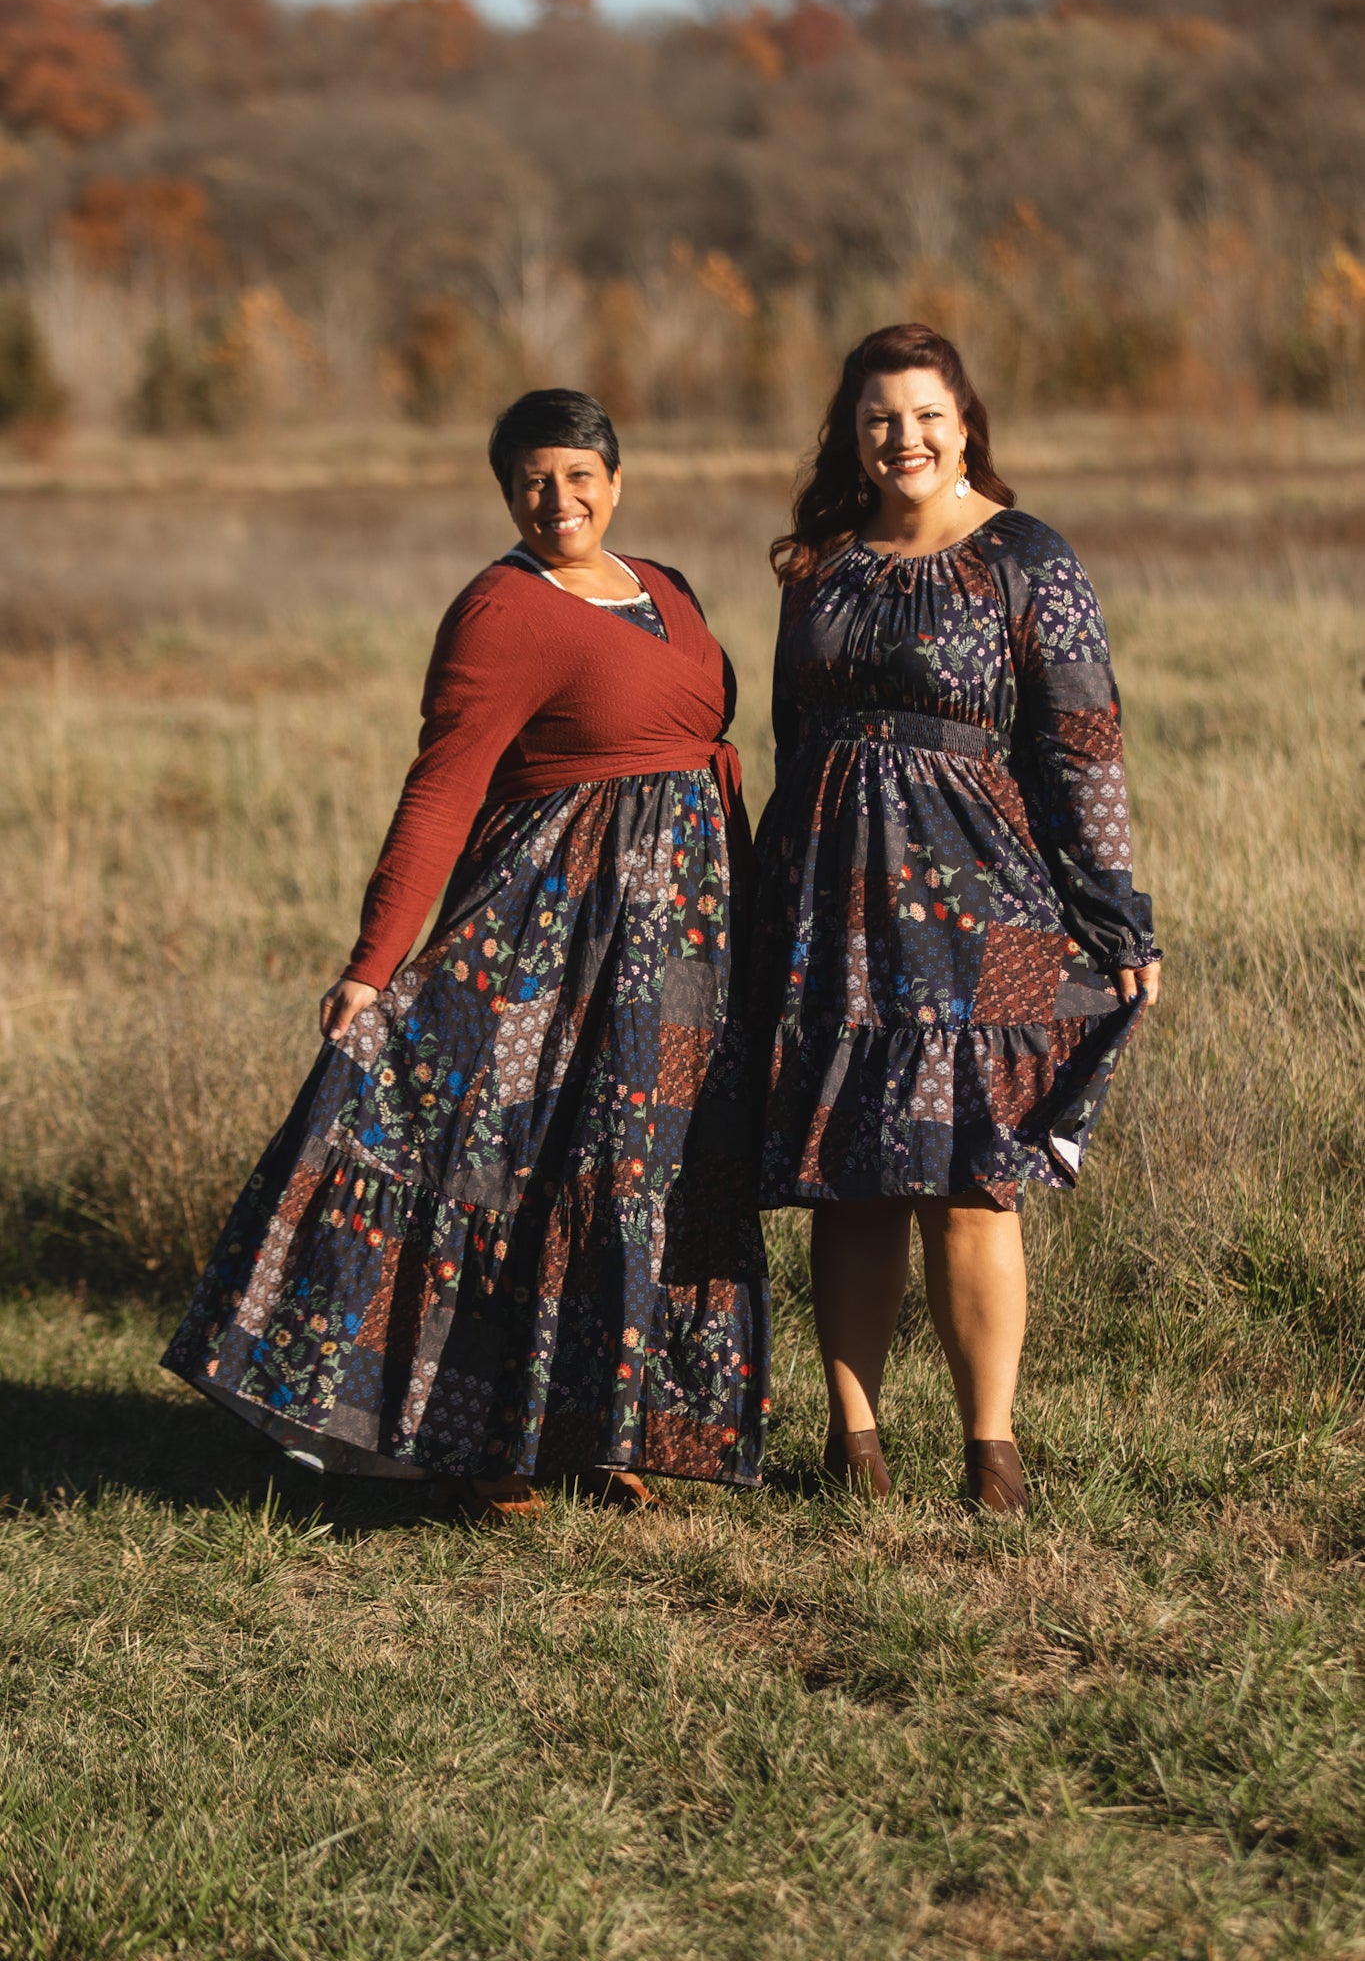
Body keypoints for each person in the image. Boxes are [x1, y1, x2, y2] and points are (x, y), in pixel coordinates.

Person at [164, 388, 769, 1516]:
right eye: (534, 480)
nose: (560, 499)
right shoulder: (500, 607)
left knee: (636, 1167)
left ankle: (595, 1425)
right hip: (551, 920)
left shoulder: (669, 586)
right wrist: (374, 958)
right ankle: (479, 1439)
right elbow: (442, 785)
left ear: (616, 479)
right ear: (506, 493)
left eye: (580, 475)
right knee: (504, 1158)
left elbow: (701, 739)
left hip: (679, 928)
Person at [751, 324, 1161, 1514]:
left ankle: (992, 1452)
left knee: (975, 1178)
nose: (905, 437)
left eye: (927, 413)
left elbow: (1083, 742)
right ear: (852, 432)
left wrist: (1116, 916)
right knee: (854, 1176)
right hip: (835, 901)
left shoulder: (1027, 556)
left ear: (966, 419)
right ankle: (856, 1444)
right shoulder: (822, 563)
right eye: (880, 416)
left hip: (981, 901)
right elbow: (791, 738)